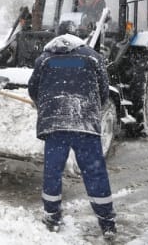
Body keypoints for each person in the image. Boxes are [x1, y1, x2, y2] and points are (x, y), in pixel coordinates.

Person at [27, 31, 117, 240]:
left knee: (53, 172)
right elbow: (103, 91)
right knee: (95, 173)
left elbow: (33, 89)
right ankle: (107, 223)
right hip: (85, 124)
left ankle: (52, 216)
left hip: (55, 125)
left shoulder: (45, 59)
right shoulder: (93, 57)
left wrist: (46, 106)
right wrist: (90, 109)